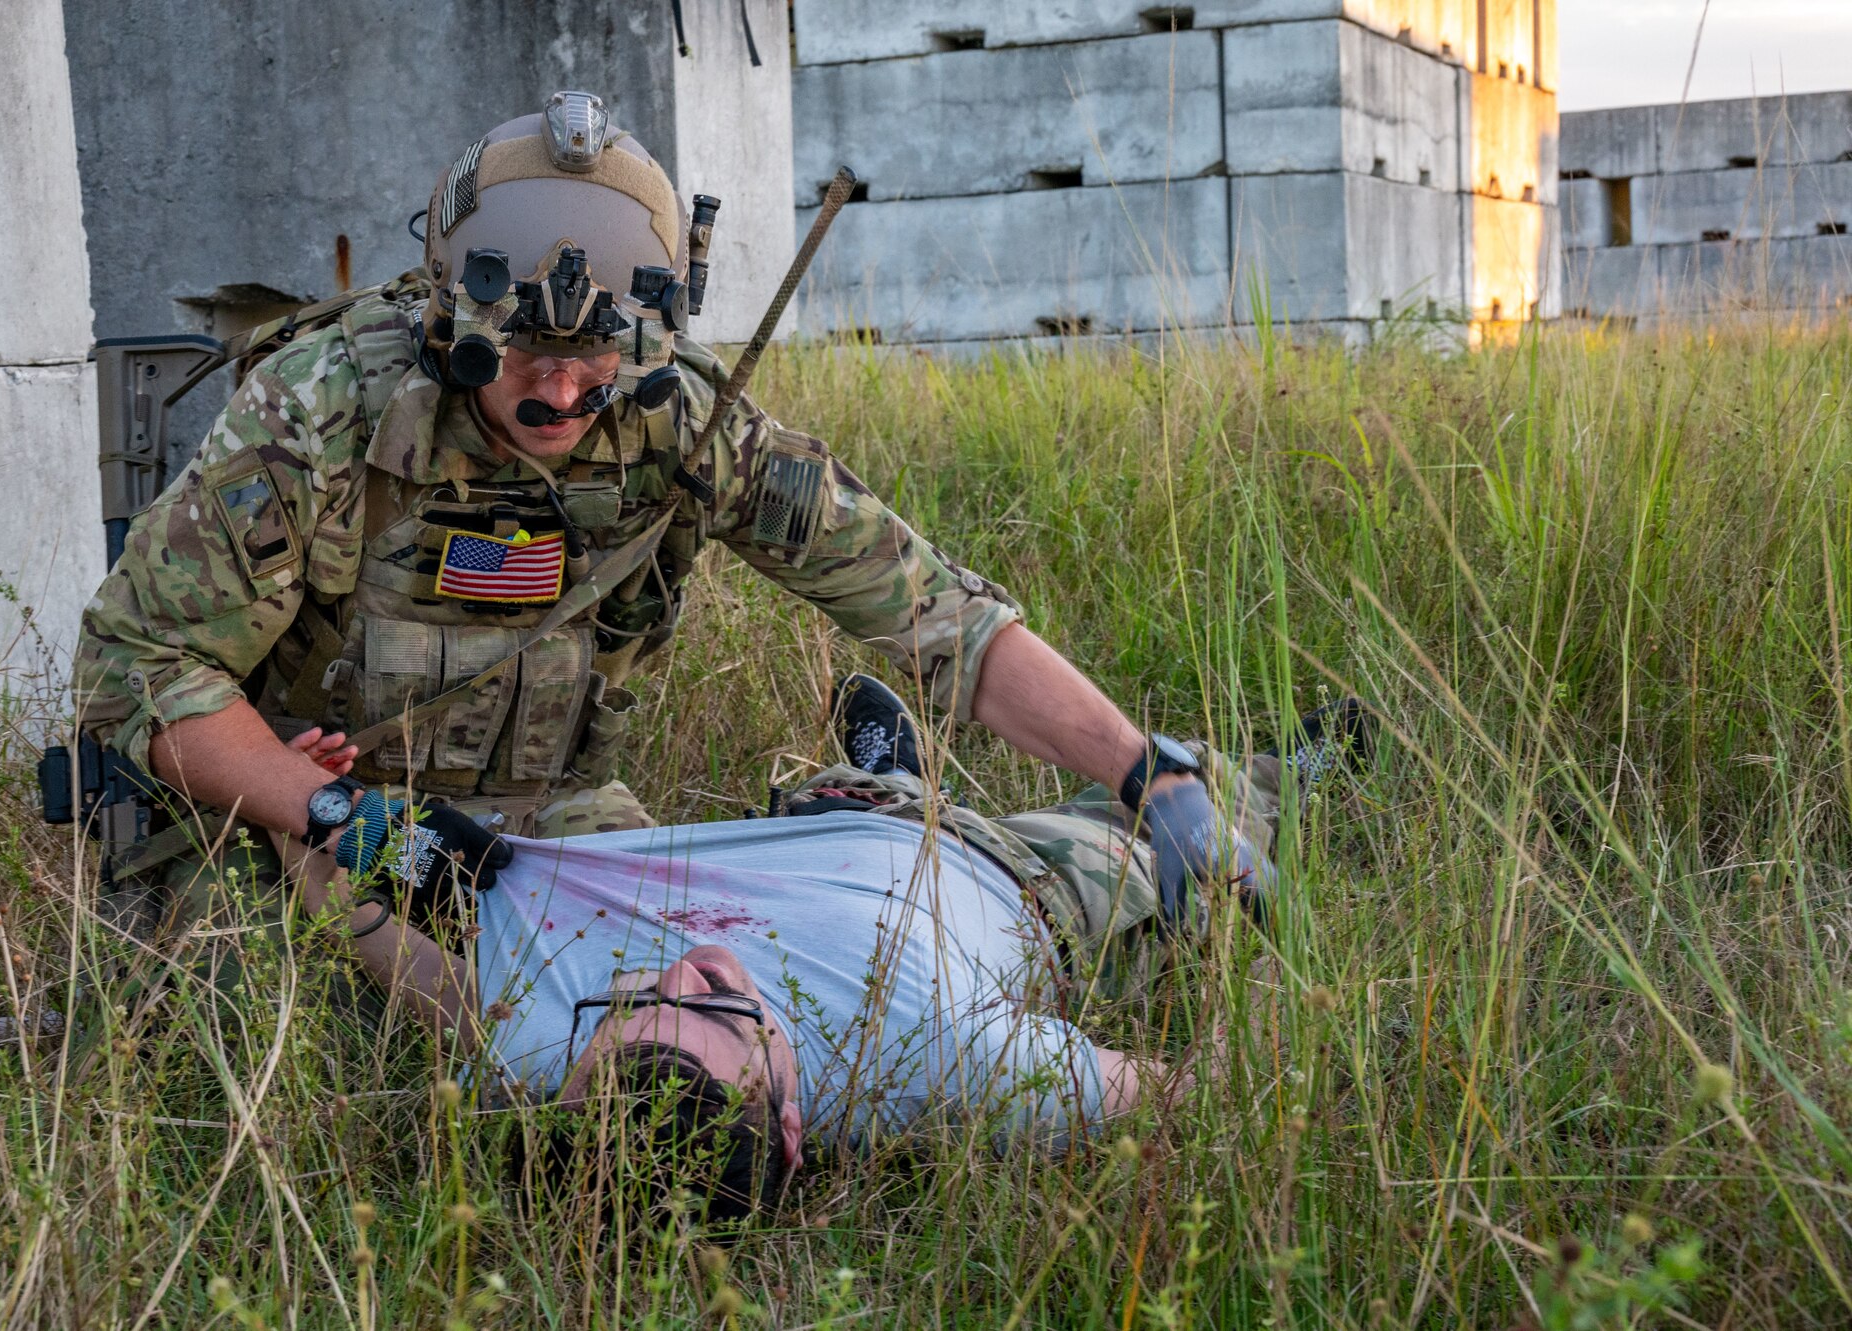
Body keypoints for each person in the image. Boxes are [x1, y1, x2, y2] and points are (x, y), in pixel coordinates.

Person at [74, 89, 1284, 959]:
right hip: (298, 826)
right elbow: (134, 671)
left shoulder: (685, 425)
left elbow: (934, 615)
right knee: (267, 1015)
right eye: (519, 359)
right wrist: (323, 803)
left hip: (552, 822)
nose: (556, 394)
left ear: (649, 331)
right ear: (450, 312)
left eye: (593, 359)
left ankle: (1010, 811)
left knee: (774, 967)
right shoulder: (323, 413)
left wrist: (1139, 768)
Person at [275, 675, 1369, 1222]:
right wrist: (1255, 947)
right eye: (711, 1007)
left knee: (587, 824)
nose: (678, 966)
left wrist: (299, 834)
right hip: (1011, 879)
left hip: (808, 831)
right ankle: (1286, 779)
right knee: (1154, 829)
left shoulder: (548, 1063)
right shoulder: (959, 1072)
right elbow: (1199, 1090)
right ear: (793, 1127)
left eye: (622, 1003)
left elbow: (379, 945)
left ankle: (879, 775)